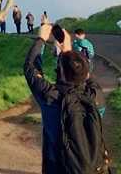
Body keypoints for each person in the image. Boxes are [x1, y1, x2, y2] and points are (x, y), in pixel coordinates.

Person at [24, 20, 106, 174]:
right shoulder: (96, 96)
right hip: (93, 168)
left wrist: (41, 39)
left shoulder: (51, 97)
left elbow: (31, 69)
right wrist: (69, 53)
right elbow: (86, 75)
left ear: (59, 71)